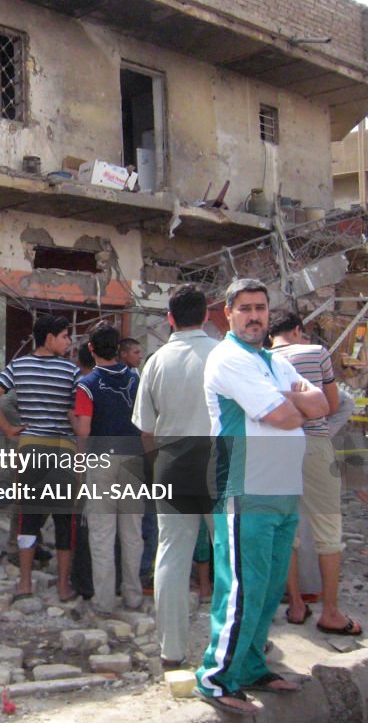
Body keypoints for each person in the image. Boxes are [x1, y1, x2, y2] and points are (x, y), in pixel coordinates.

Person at [194, 278, 329, 716]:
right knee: (241, 589)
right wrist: (296, 402)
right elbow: (287, 415)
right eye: (246, 308)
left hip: (283, 490)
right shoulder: (228, 359)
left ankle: (251, 667)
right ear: (228, 314)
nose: (255, 316)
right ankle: (215, 678)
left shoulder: (269, 360)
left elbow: (322, 404)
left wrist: (297, 401)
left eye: (261, 308)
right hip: (245, 488)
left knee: (269, 589)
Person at [131, 283, 219, 668]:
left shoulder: (155, 361)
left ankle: (172, 651)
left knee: (171, 555)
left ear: (169, 319)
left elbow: (145, 428)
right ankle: (235, 646)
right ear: (206, 316)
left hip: (172, 462)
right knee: (231, 554)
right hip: (221, 461)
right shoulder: (223, 355)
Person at [267, 310, 361, 636]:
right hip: (314, 445)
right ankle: (331, 612)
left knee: (287, 532)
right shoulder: (315, 352)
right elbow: (332, 405)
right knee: (328, 532)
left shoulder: (260, 359)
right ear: (297, 330)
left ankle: (295, 605)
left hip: (277, 447)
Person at [0, 314, 79, 604]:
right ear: (49, 338)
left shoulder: (18, 366)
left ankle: (25, 583)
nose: (68, 341)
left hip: (30, 450)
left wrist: (9, 430)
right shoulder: (70, 370)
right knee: (64, 520)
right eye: (64, 336)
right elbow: (76, 413)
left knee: (28, 518)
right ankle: (63, 586)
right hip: (63, 451)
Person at [74, 322, 144, 615]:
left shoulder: (86, 385)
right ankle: (133, 595)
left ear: (91, 349)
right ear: (118, 349)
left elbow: (85, 431)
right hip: (133, 458)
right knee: (132, 531)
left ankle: (104, 601)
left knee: (102, 532)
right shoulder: (135, 379)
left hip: (101, 459)